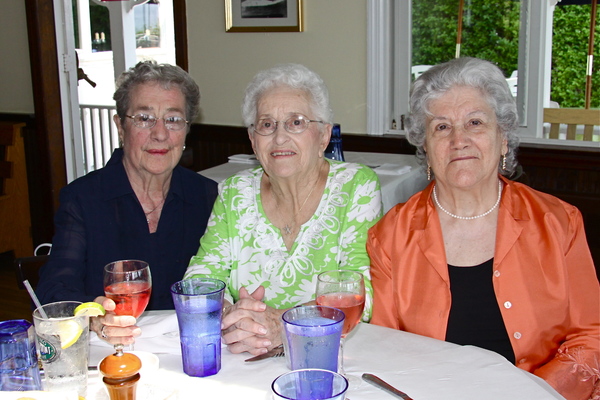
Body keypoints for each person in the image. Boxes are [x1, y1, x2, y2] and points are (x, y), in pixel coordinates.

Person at [367, 57, 599, 400]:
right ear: (426, 149)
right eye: (442, 127)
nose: (459, 140)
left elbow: (591, 336)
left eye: (475, 122)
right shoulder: (390, 235)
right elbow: (385, 349)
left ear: (503, 139)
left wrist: (533, 393)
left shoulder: (558, 222)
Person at [185, 63, 383, 356]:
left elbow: (359, 292)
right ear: (253, 140)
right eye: (266, 124)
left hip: (329, 356)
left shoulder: (356, 185)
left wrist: (284, 323)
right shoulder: (234, 193)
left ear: (324, 136)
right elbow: (198, 282)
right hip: (245, 356)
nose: (279, 137)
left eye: (296, 122)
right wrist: (233, 317)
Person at [36, 61, 218, 346]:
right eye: (144, 118)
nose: (160, 133)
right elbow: (56, 287)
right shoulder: (83, 198)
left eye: (173, 120)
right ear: (121, 126)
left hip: (188, 347)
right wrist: (93, 315)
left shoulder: (208, 196)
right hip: (109, 349)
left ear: (186, 130)